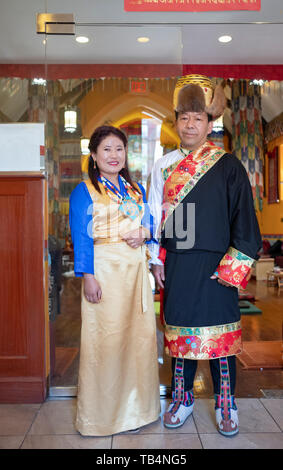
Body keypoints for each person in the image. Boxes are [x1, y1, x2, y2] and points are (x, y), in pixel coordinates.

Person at [148, 75, 262, 437]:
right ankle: (181, 399)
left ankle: (226, 403)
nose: (190, 124)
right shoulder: (163, 167)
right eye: (184, 118)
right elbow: (154, 217)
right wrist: (157, 260)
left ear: (210, 124)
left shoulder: (228, 166)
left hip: (217, 268)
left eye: (198, 118)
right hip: (179, 265)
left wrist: (232, 268)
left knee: (221, 340)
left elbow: (245, 221)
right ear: (176, 121)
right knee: (179, 337)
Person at [69, 125, 160, 436]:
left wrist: (145, 233)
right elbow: (81, 238)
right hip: (104, 274)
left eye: (119, 149)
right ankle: (102, 417)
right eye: (106, 149)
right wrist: (88, 278)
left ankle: (139, 411)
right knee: (104, 343)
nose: (113, 155)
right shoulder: (84, 191)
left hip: (135, 276)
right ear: (94, 155)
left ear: (125, 155)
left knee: (138, 341)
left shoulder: (136, 191)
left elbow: (150, 224)